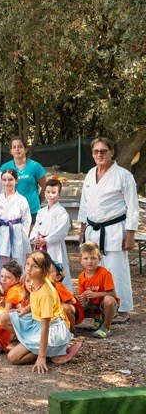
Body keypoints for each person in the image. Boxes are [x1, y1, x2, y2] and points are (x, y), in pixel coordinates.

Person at [77, 137, 138, 324]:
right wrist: (82, 229)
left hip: (114, 229)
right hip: (93, 229)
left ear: (112, 152)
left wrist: (130, 235)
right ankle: (100, 306)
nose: (99, 154)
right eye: (96, 151)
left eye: (104, 151)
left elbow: (132, 206)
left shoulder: (123, 175)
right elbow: (84, 204)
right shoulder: (90, 174)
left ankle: (123, 308)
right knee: (94, 268)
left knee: (116, 269)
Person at [0, 251, 82, 373]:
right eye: (28, 264)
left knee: (13, 357)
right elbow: (34, 299)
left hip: (51, 330)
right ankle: (39, 347)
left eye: (35, 266)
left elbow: (45, 327)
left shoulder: (46, 293)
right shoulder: (35, 280)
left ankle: (50, 351)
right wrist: (24, 310)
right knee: (3, 318)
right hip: (36, 321)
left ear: (44, 271)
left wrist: (41, 357)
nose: (29, 269)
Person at [29, 178, 72, 291]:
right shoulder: (41, 211)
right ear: (44, 193)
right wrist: (35, 238)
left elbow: (62, 231)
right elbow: (36, 227)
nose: (50, 195)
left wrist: (46, 240)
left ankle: (62, 294)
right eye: (48, 192)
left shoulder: (61, 211)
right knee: (41, 269)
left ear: (59, 194)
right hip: (41, 245)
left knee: (55, 270)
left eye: (54, 192)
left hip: (54, 246)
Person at [76, 242, 120, 339]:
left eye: (93, 258)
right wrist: (82, 297)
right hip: (92, 304)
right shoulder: (81, 276)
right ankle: (97, 317)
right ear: (80, 260)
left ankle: (106, 327)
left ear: (99, 259)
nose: (89, 261)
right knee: (75, 307)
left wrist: (96, 294)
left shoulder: (105, 273)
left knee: (108, 299)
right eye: (86, 258)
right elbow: (83, 296)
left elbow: (112, 293)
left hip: (106, 305)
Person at [1, 137, 47, 225]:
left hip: (32, 211)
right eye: (14, 147)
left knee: (31, 234)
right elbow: (1, 189)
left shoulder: (35, 166)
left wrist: (37, 202)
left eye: (20, 146)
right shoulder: (4, 167)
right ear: (11, 151)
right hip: (11, 211)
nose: (17, 149)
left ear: (25, 149)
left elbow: (45, 188)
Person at [0, 169, 31, 276]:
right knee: (0, 262)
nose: (7, 183)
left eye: (10, 179)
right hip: (1, 233)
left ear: (16, 181)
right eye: (4, 180)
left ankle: (17, 282)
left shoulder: (21, 199)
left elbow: (26, 220)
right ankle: (0, 283)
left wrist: (23, 235)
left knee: (16, 261)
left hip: (16, 233)